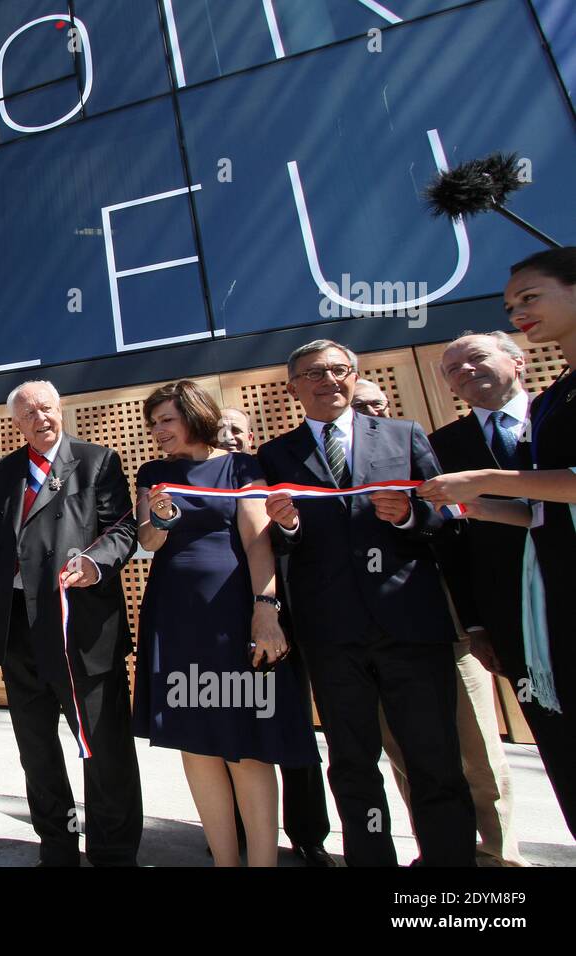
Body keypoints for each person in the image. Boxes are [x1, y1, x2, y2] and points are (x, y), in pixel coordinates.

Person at [257, 340, 475, 866]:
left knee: (435, 761)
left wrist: (407, 516)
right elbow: (279, 546)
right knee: (353, 765)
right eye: (313, 373)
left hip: (410, 625)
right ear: (293, 388)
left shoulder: (404, 435)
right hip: (332, 635)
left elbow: (449, 520)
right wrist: (288, 526)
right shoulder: (276, 454)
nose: (328, 380)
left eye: (338, 370)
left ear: (354, 377)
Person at [418, 248, 576, 838]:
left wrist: (484, 483)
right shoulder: (444, 442)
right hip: (526, 619)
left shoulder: (553, 407)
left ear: (514, 361)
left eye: (530, 298)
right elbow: (533, 515)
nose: (463, 374)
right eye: (451, 370)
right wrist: (478, 506)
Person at [136, 383, 316, 867]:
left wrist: (266, 609)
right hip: (175, 619)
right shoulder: (153, 472)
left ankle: (263, 862)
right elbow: (148, 542)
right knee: (195, 743)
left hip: (233, 615)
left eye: (166, 420)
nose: (158, 431)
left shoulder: (241, 466)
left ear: (194, 415)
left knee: (248, 745)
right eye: (153, 423)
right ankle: (224, 861)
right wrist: (161, 518)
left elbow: (259, 540)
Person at [355, 373, 526, 864]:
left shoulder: (419, 453)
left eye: (376, 405)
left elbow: (455, 529)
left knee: (476, 749)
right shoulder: (337, 468)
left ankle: (498, 854)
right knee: (407, 752)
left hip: (445, 624)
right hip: (380, 636)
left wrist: (474, 623)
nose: (369, 415)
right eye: (359, 409)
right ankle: (440, 849)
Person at [0, 380, 142, 866]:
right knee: (37, 751)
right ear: (17, 422)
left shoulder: (98, 462)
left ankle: (112, 851)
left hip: (82, 631)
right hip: (21, 634)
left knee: (104, 750)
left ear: (61, 408)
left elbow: (122, 528)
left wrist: (95, 563)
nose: (41, 418)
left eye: (47, 408)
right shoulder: (6, 471)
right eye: (29, 412)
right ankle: (57, 846)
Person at [217, 406, 334, 867]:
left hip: (288, 620)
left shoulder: (270, 472)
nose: (228, 436)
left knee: (291, 730)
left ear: (253, 435)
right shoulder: (202, 479)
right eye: (220, 429)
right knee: (232, 730)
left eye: (237, 430)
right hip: (228, 624)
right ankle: (238, 829)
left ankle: (308, 835)